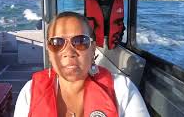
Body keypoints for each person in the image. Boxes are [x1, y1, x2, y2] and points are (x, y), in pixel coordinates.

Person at [14, 11, 149, 117]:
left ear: (92, 48)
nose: (68, 52)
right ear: (49, 52)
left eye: (80, 41)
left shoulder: (121, 90)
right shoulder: (30, 92)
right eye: (57, 43)